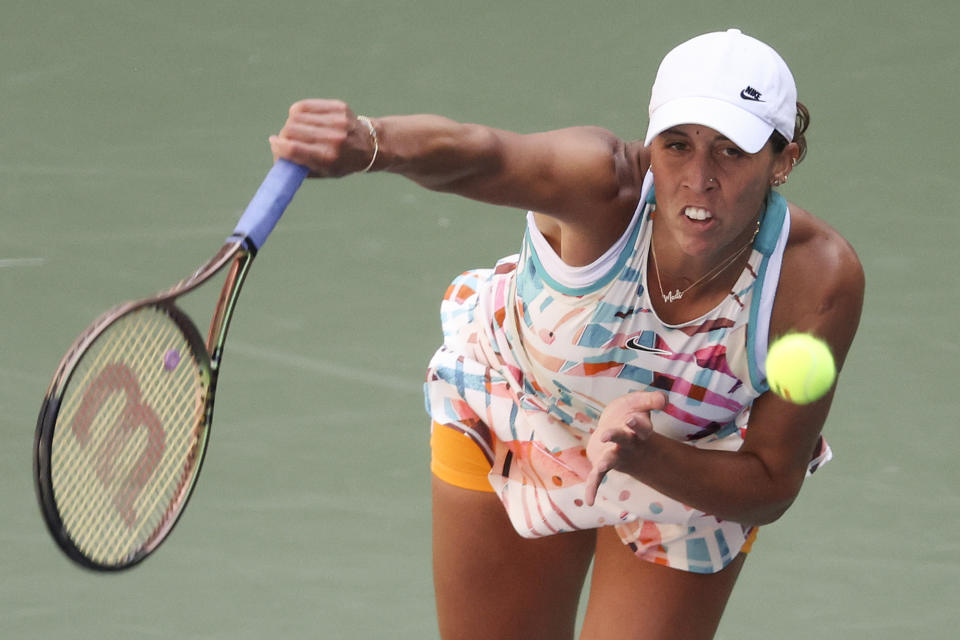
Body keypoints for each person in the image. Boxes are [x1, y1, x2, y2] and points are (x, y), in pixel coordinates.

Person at [269, 28, 864, 640]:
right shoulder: (604, 184)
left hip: (690, 469)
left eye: (731, 151)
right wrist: (372, 142)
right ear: (650, 139)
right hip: (519, 409)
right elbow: (483, 153)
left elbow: (770, 481)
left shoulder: (814, 278)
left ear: (783, 159)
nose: (698, 177)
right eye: (678, 144)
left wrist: (642, 453)